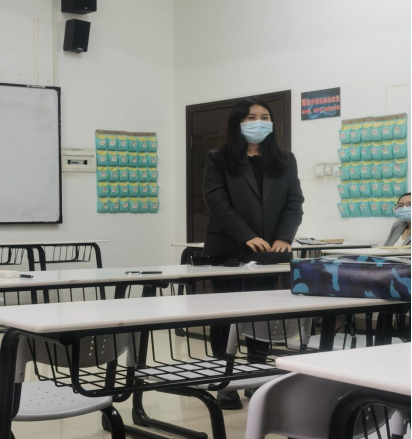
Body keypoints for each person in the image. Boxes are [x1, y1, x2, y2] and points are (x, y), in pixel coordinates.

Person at [203, 99, 305, 409]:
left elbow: (294, 202)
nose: (258, 122)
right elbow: (217, 203)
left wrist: (284, 237)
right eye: (251, 117)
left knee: (260, 314)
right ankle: (224, 380)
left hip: (269, 252)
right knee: (225, 314)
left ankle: (255, 376)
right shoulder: (218, 158)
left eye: (264, 116)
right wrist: (247, 236)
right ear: (238, 122)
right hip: (227, 249)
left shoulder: (285, 159)